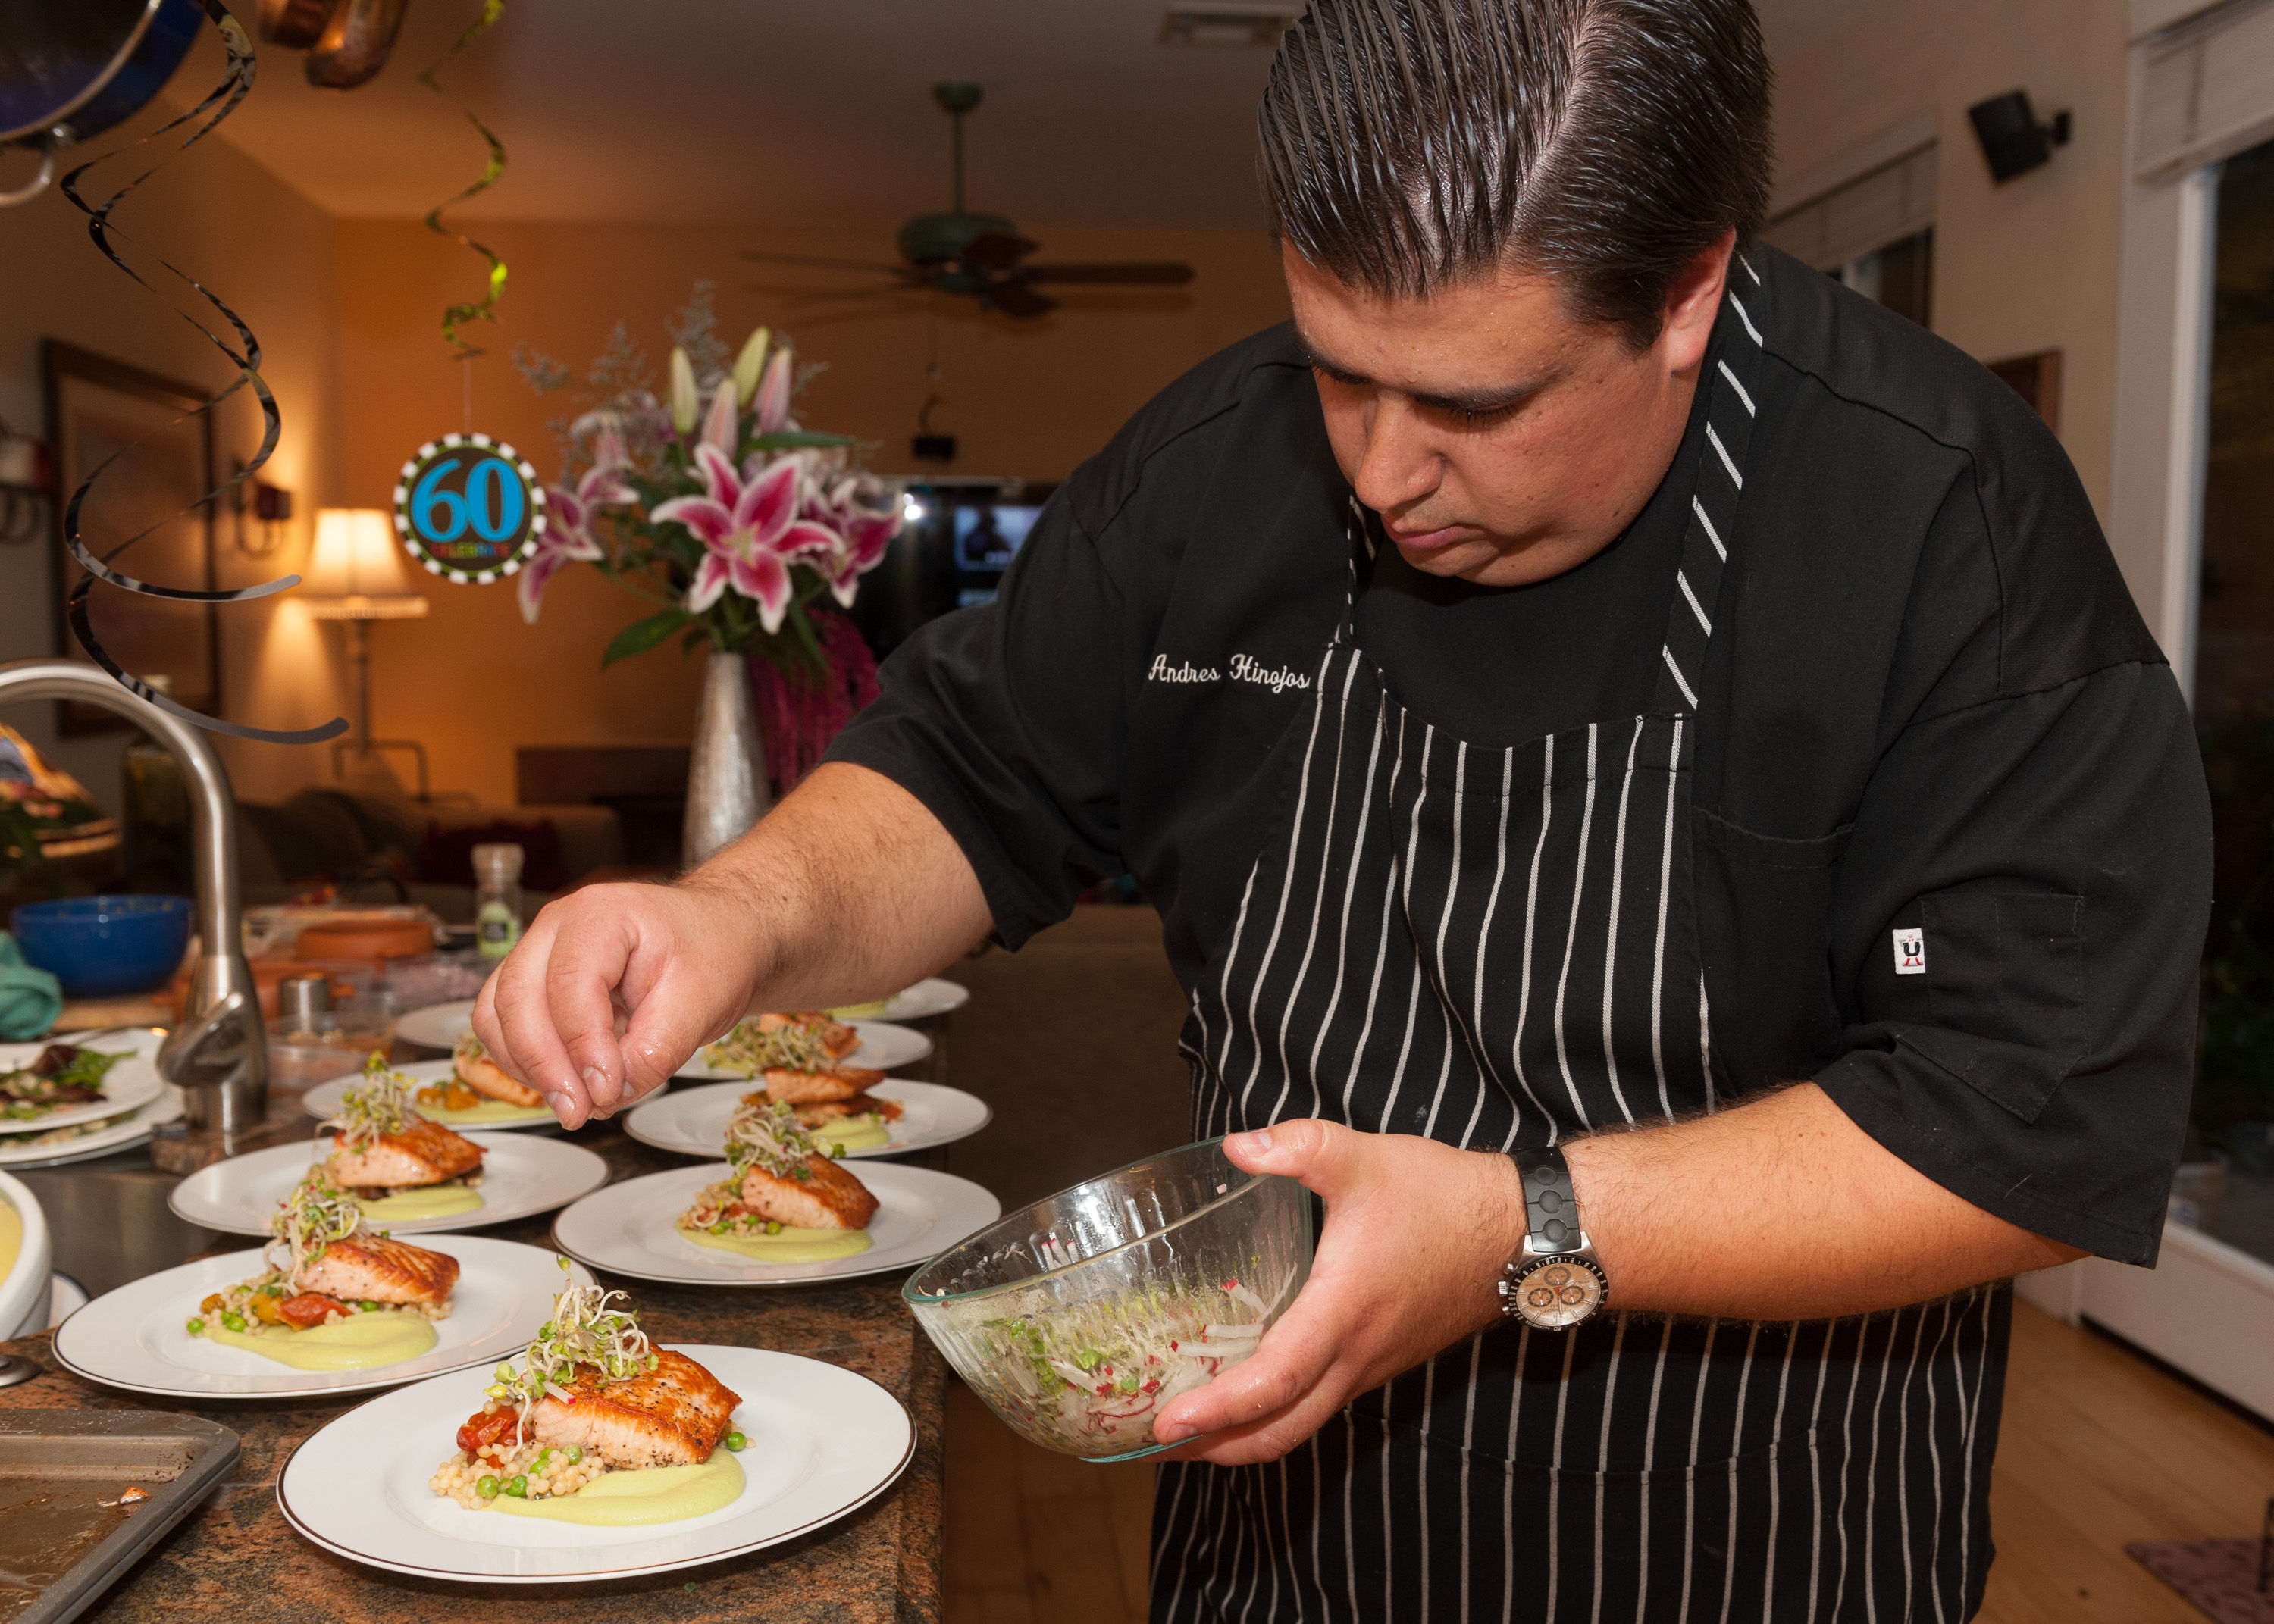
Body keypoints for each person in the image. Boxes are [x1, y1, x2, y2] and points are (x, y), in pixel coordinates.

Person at [475, 1, 2212, 1616]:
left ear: (1686, 296)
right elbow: (967, 774)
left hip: (1745, 1527)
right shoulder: (1215, 468)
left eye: (1471, 401)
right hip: (1281, 1528)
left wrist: (1522, 1228)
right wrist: (741, 911)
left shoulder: (1939, 522)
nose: (1379, 474)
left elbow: (2025, 1127)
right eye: (1335, 366)